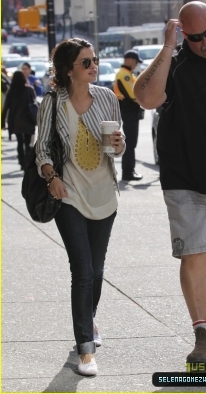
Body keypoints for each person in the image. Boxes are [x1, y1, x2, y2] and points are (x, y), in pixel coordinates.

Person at [134, 1, 206, 366]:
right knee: (194, 250)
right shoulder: (174, 62)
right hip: (184, 178)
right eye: (195, 38)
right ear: (184, 35)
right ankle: (201, 337)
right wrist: (167, 47)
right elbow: (146, 97)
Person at [35, 38, 125, 376]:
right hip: (69, 195)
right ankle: (85, 350)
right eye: (86, 61)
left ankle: (89, 320)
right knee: (82, 270)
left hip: (105, 195)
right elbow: (41, 147)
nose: (93, 65)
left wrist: (119, 144)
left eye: (94, 60)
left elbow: (118, 146)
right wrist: (51, 176)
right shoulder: (53, 103)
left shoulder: (105, 97)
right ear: (69, 68)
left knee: (97, 270)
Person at [113, 50, 143, 181]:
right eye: (136, 62)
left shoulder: (128, 74)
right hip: (128, 109)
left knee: (131, 141)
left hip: (130, 110)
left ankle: (130, 170)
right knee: (130, 142)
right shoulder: (123, 75)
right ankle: (128, 172)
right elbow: (133, 94)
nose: (136, 65)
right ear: (130, 60)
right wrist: (144, 99)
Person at [2, 70, 36, 169]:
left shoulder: (11, 91)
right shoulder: (29, 89)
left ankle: (21, 162)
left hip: (16, 122)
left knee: (20, 142)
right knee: (27, 142)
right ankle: (27, 162)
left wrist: (3, 122)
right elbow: (34, 105)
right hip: (28, 120)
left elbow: (6, 108)